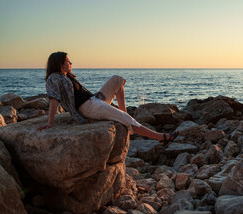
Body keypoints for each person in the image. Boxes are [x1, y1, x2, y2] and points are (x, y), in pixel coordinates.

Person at [36, 51, 178, 145]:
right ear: (59, 64)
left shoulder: (66, 77)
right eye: (68, 61)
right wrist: (50, 122)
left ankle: (124, 114)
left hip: (95, 100)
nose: (71, 63)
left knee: (117, 79)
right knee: (125, 119)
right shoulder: (54, 78)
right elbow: (53, 99)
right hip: (89, 108)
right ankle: (161, 137)